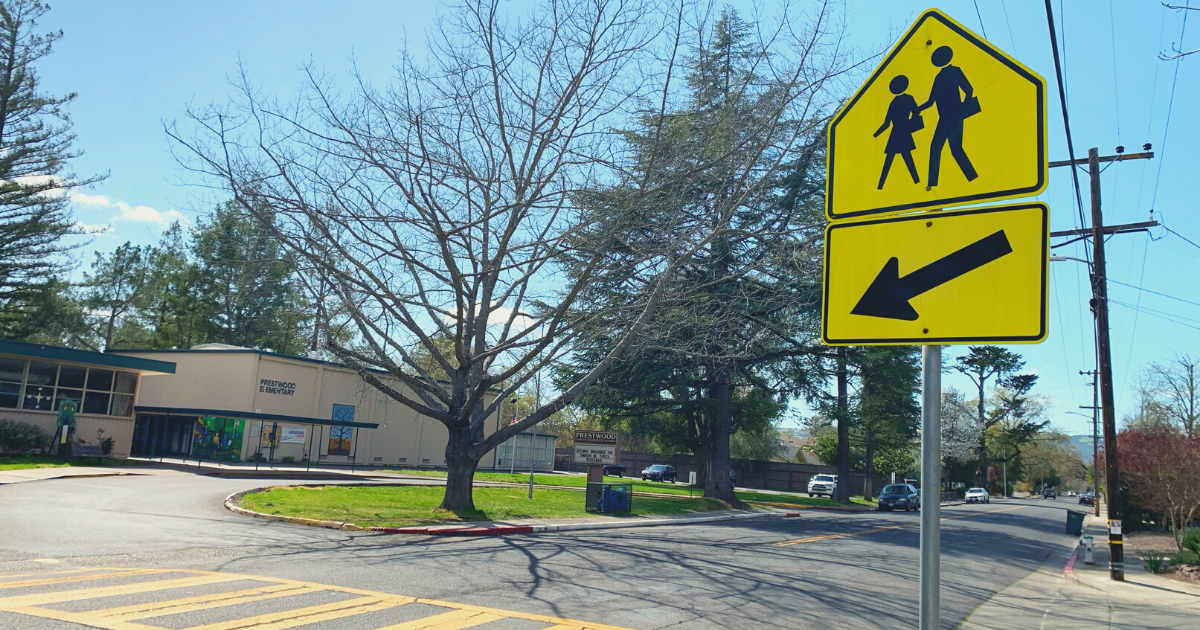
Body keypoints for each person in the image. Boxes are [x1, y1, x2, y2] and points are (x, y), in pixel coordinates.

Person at [919, 45, 978, 190]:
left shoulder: (954, 72)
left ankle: (972, 178)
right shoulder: (938, 77)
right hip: (946, 118)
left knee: (952, 149)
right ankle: (933, 184)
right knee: (942, 148)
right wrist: (917, 110)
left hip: (954, 116)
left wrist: (963, 107)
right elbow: (931, 101)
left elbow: (969, 89)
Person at [873, 74, 922, 190]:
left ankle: (917, 183)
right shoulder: (900, 101)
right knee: (899, 158)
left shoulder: (896, 102)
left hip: (897, 133)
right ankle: (881, 186)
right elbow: (916, 112)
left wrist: (876, 135)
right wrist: (874, 135)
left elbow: (887, 123)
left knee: (902, 158)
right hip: (901, 132)